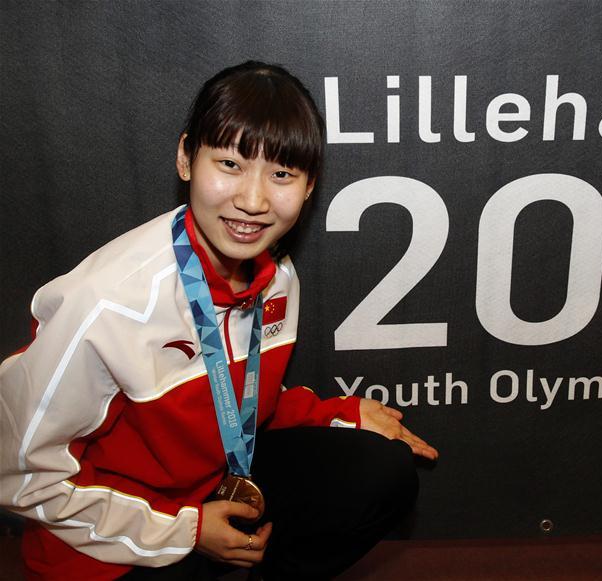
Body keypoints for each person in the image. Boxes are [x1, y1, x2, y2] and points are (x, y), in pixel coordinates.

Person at [0, 60, 438, 580]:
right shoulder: (104, 303)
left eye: (281, 174)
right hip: (113, 542)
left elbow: (235, 403)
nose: (252, 201)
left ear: (309, 185)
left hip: (211, 488)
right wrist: (183, 529)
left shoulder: (277, 277)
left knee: (380, 472)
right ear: (186, 158)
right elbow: (17, 476)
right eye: (229, 164)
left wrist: (339, 414)